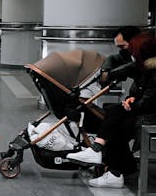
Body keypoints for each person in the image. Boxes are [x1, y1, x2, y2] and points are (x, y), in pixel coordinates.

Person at [67, 32, 156, 187]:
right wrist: (133, 99)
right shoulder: (145, 67)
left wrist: (133, 104)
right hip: (143, 111)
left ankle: (103, 157)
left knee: (115, 121)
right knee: (114, 117)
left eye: (133, 52)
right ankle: (110, 165)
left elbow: (150, 103)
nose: (130, 55)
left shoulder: (153, 73)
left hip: (151, 117)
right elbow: (142, 94)